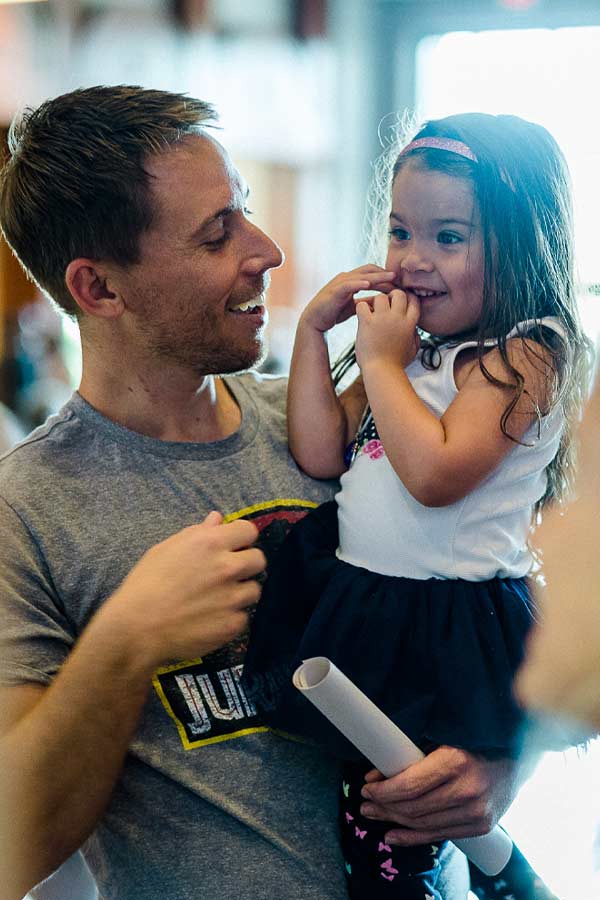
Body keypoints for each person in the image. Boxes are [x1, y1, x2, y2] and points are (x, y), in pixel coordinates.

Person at [0, 86, 511, 900]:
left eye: (243, 210)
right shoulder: (23, 509)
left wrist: (499, 761)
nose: (267, 249)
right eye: (218, 233)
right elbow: (11, 850)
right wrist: (127, 638)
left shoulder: (345, 421)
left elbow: (518, 609)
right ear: (98, 290)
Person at [242, 112, 592, 900]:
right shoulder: (412, 354)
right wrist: (312, 338)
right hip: (371, 601)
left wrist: (381, 361)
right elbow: (320, 452)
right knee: (369, 802)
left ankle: (491, 879)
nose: (412, 260)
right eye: (401, 231)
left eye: (449, 237)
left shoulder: (527, 351)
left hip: (450, 620)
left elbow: (437, 475)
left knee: (412, 810)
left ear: (521, 244)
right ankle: (498, 877)